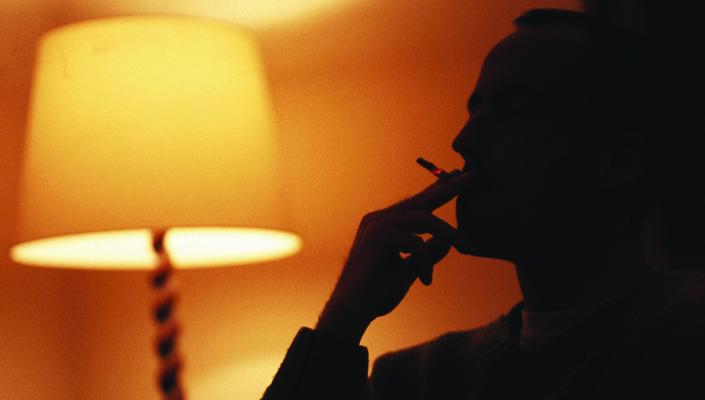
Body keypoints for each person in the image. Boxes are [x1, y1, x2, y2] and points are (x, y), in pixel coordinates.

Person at [261, 8, 705, 400]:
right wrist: (342, 320)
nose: (463, 140)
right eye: (476, 110)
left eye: (515, 110)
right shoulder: (416, 379)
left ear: (620, 160)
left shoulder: (684, 342)